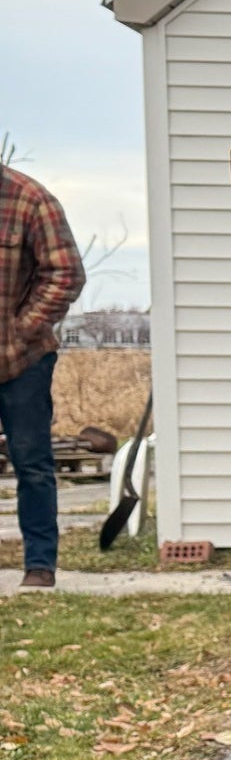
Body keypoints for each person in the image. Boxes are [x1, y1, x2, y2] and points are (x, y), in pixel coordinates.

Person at [0, 162, 87, 589]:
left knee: (31, 463)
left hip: (22, 360)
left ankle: (39, 565)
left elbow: (66, 272)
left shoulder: (31, 200)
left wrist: (23, 328)